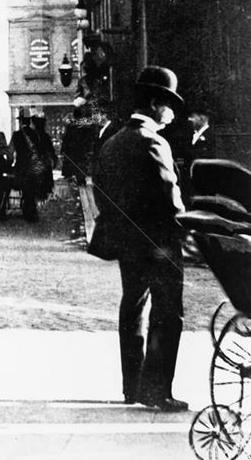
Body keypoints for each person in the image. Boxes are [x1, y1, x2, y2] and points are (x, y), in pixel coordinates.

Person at [94, 66, 187, 412]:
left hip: (127, 241)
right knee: (167, 312)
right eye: (168, 104)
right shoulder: (153, 141)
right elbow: (170, 198)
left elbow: (100, 190)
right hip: (159, 243)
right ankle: (157, 390)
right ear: (153, 103)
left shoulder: (113, 142)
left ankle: (132, 386)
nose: (172, 112)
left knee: (133, 306)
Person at [12, 109, 56, 222]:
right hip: (34, 167)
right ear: (29, 121)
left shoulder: (16, 135)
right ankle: (32, 213)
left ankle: (29, 213)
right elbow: (41, 151)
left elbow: (11, 151)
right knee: (31, 190)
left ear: (20, 121)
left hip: (21, 168)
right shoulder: (35, 134)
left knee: (26, 191)